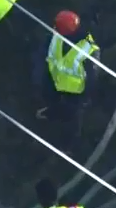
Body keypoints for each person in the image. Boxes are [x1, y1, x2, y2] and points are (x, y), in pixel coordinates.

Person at [36, 10, 100, 147]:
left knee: (73, 122)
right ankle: (49, 117)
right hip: (55, 83)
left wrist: (86, 96)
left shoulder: (89, 49)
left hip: (76, 92)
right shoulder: (56, 37)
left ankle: (69, 148)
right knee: (50, 106)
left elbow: (92, 77)